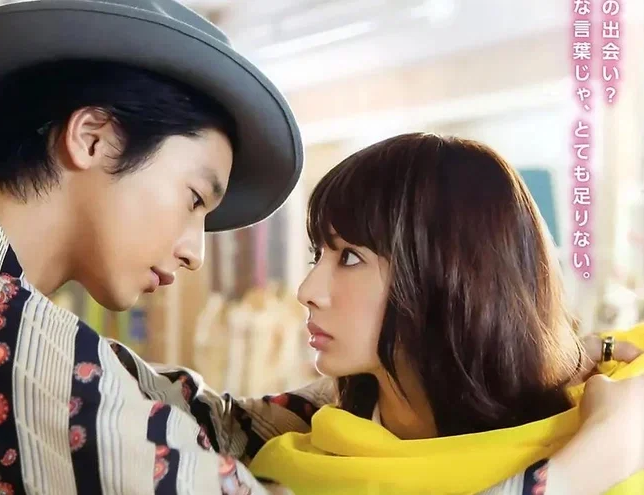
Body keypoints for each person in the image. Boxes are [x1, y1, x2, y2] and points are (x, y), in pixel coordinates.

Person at [0, 1, 639, 494]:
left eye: (350, 256)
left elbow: (214, 423)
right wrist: (576, 473)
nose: (194, 252)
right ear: (93, 138)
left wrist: (538, 352)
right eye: (194, 197)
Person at [249, 133, 644, 494]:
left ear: (452, 276)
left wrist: (555, 361)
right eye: (318, 254)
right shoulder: (289, 473)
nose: (306, 292)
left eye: (349, 257)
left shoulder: (621, 442)